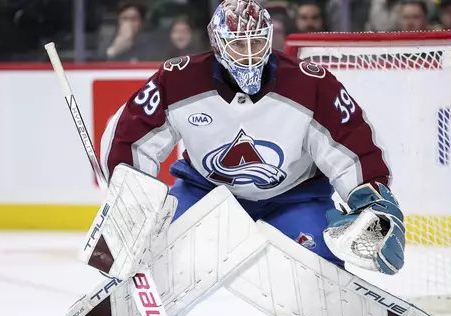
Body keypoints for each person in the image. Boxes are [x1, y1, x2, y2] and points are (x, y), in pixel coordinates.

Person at [101, 0, 403, 275]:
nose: (248, 54)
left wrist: (371, 205)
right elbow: (132, 135)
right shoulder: (178, 79)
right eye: (237, 44)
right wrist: (130, 198)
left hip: (293, 199)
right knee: (157, 249)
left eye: (257, 41)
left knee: (323, 264)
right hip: (205, 195)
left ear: (270, 38)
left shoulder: (312, 85)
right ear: (218, 44)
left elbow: (351, 146)